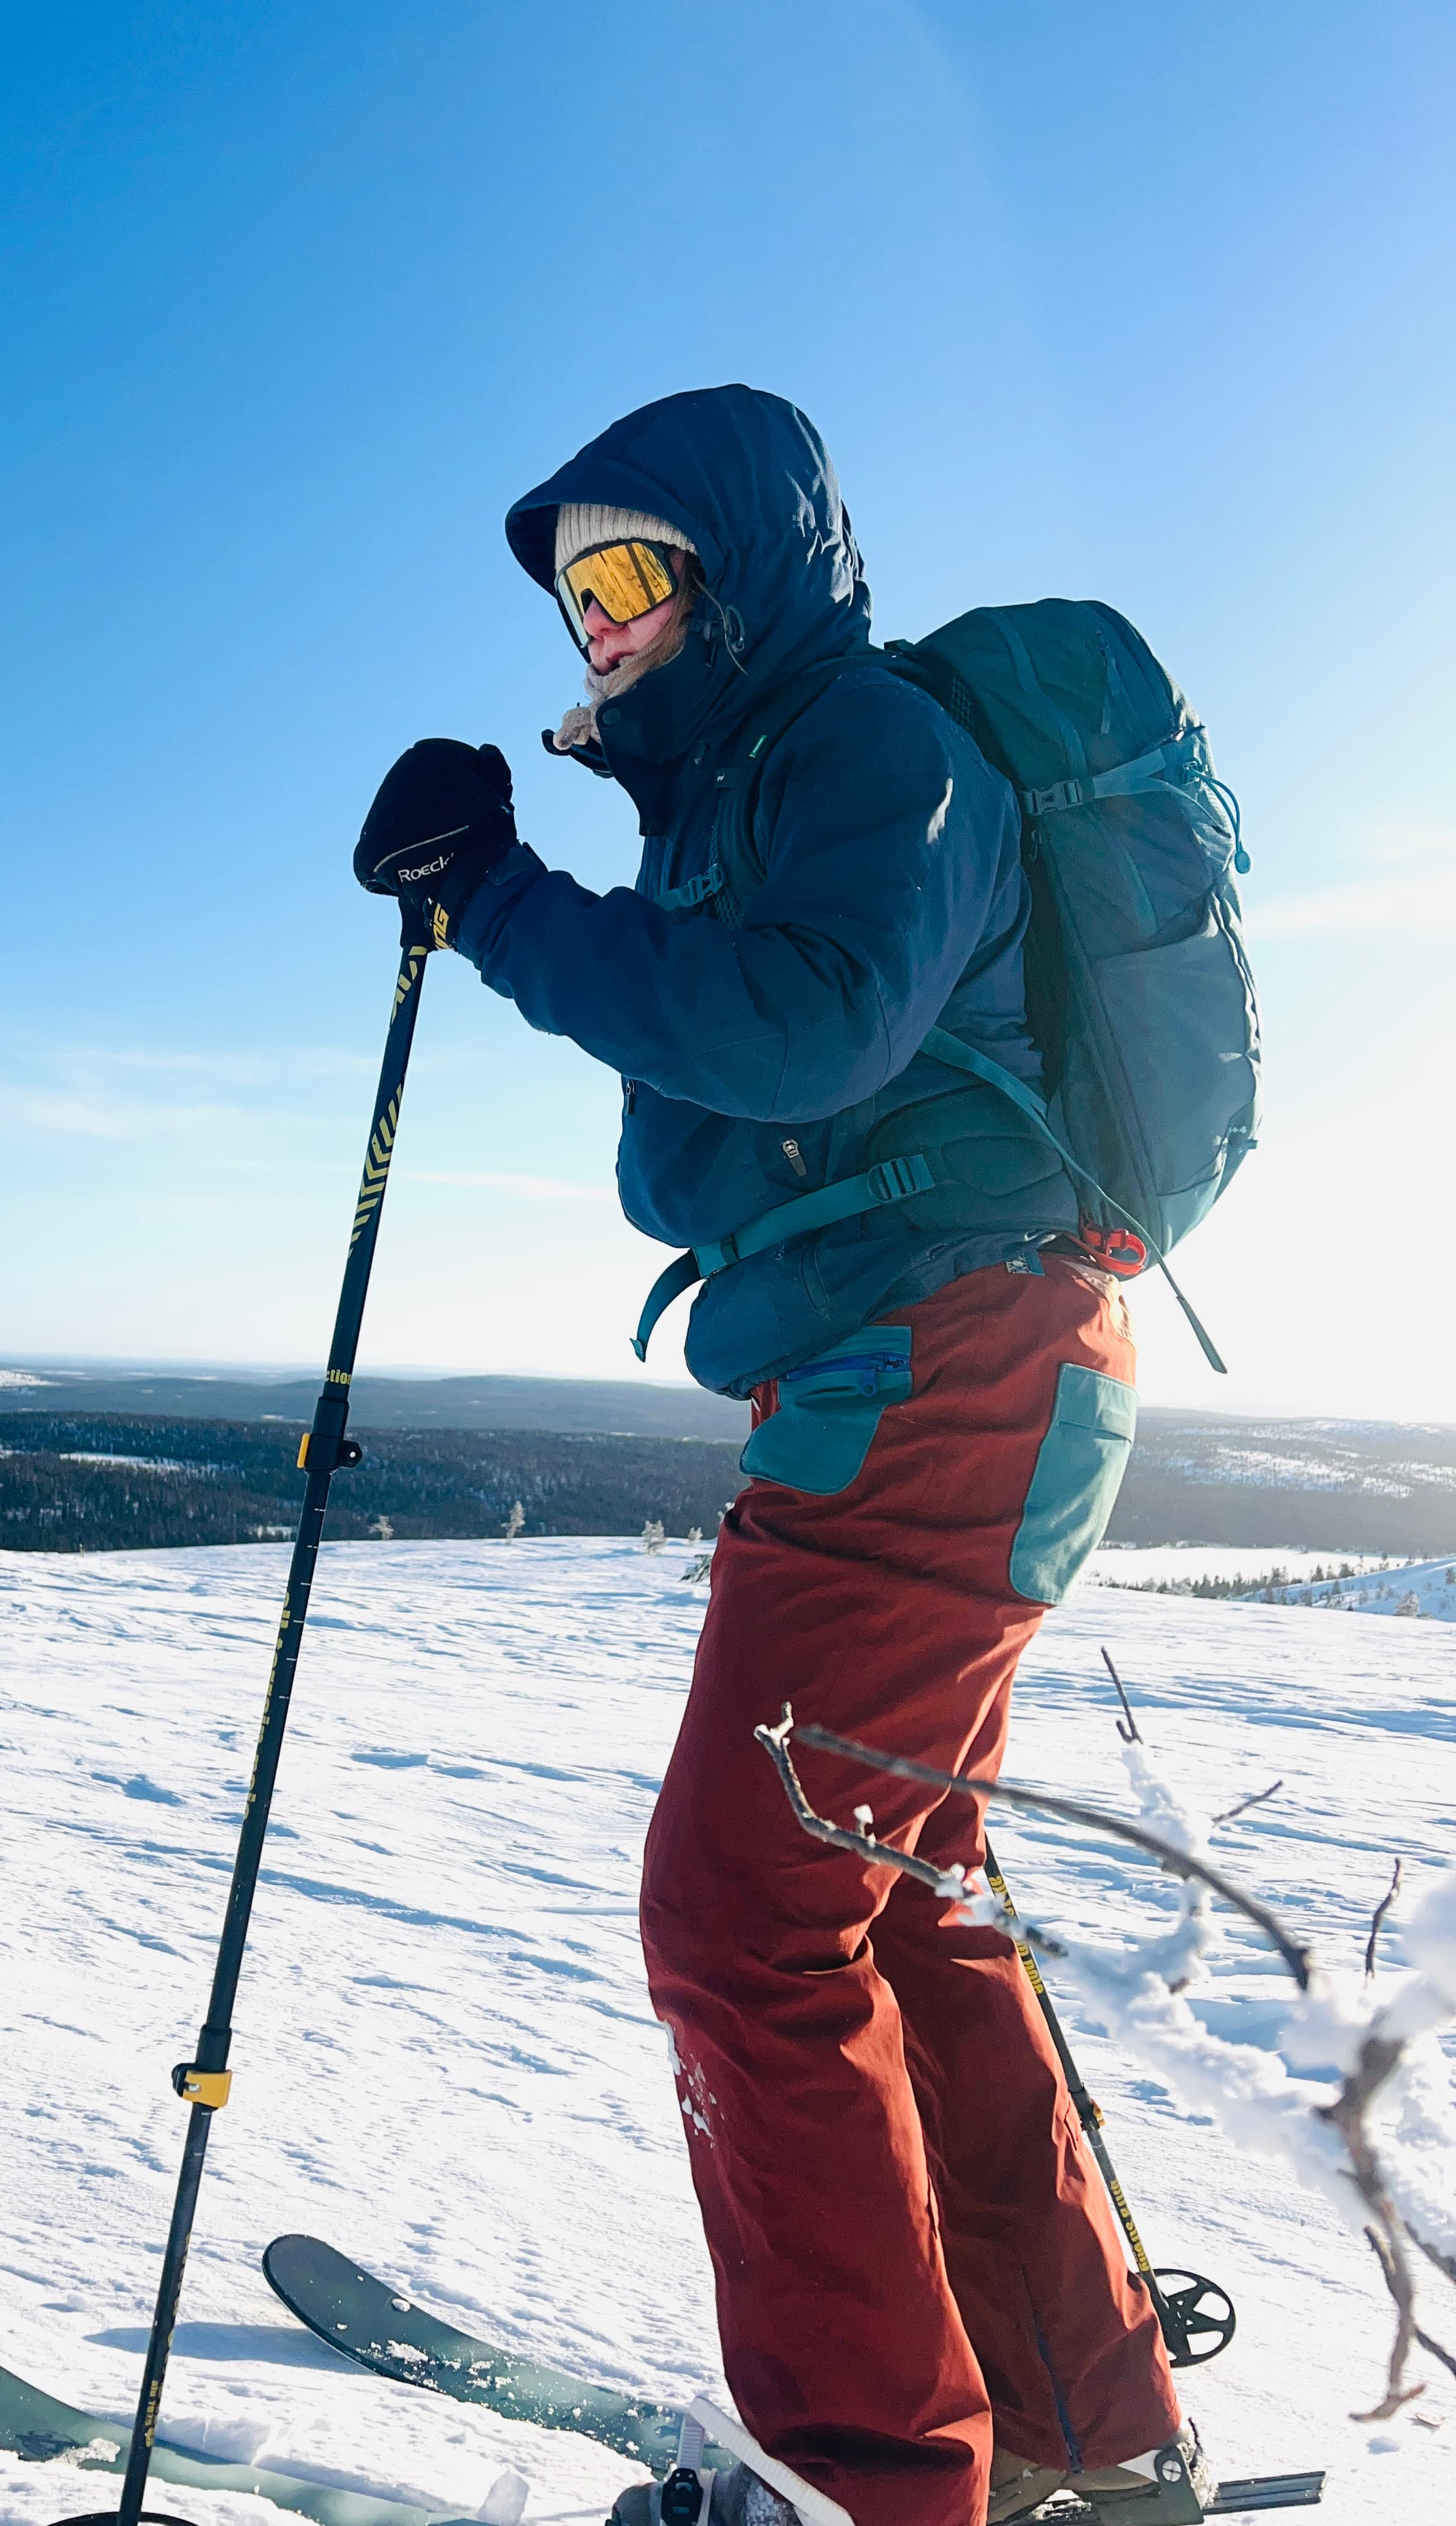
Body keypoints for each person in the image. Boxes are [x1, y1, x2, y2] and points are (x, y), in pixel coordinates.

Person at [353, 388, 1207, 2526]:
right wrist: (533, 906)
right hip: (936, 1366)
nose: (599, 623)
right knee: (892, 1909)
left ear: (743, 573)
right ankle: (1087, 2442)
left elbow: (807, 1028)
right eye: (574, 594)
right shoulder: (744, 795)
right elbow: (720, 1106)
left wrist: (512, 909)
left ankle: (878, 2491)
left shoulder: (866, 748)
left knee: (743, 1923)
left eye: (636, 573)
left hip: (947, 1371)